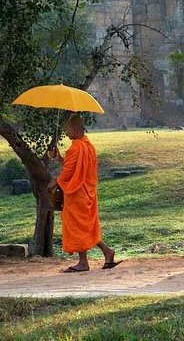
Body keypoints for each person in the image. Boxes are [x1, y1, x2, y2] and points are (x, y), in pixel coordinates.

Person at [48, 114, 120, 272]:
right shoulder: (88, 146)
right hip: (88, 191)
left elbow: (68, 171)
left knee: (77, 225)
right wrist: (59, 158)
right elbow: (74, 166)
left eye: (67, 130)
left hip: (76, 193)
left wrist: (56, 182)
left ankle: (83, 262)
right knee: (87, 225)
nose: (66, 133)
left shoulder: (76, 147)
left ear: (74, 129)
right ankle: (107, 252)